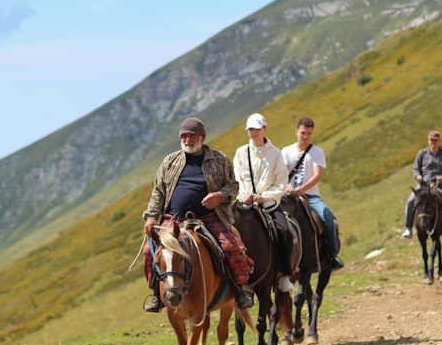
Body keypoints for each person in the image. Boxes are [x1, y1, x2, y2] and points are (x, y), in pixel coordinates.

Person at [141, 117, 255, 313]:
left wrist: (219, 196)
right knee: (148, 252)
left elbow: (233, 186)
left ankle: (240, 290)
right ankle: (156, 295)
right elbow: (158, 192)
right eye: (184, 136)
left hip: (209, 218)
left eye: (192, 136)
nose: (187, 140)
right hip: (173, 219)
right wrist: (151, 217)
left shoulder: (219, 159)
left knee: (231, 247)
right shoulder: (170, 161)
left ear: (202, 137)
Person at [233, 113, 295, 292]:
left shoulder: (275, 154)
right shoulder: (240, 153)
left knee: (285, 232)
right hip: (244, 205)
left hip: (269, 205)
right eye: (251, 129)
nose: (253, 132)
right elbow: (236, 179)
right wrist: (243, 196)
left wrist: (265, 196)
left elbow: (281, 183)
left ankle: (284, 274)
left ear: (264, 129)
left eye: (257, 129)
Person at [281, 116, 345, 270]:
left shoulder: (317, 152)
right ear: (296, 132)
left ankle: (332, 254)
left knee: (328, 219)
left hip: (311, 195)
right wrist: (287, 186)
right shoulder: (286, 151)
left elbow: (317, 176)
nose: (305, 136)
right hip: (288, 196)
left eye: (309, 133)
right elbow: (281, 174)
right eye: (303, 133)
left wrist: (302, 188)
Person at [402, 130, 442, 239]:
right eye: (431, 140)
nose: (433, 142)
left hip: (439, 185)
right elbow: (415, 169)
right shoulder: (422, 154)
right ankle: (408, 228)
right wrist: (417, 176)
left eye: (435, 140)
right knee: (410, 201)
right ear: (428, 140)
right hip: (424, 185)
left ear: (439, 141)